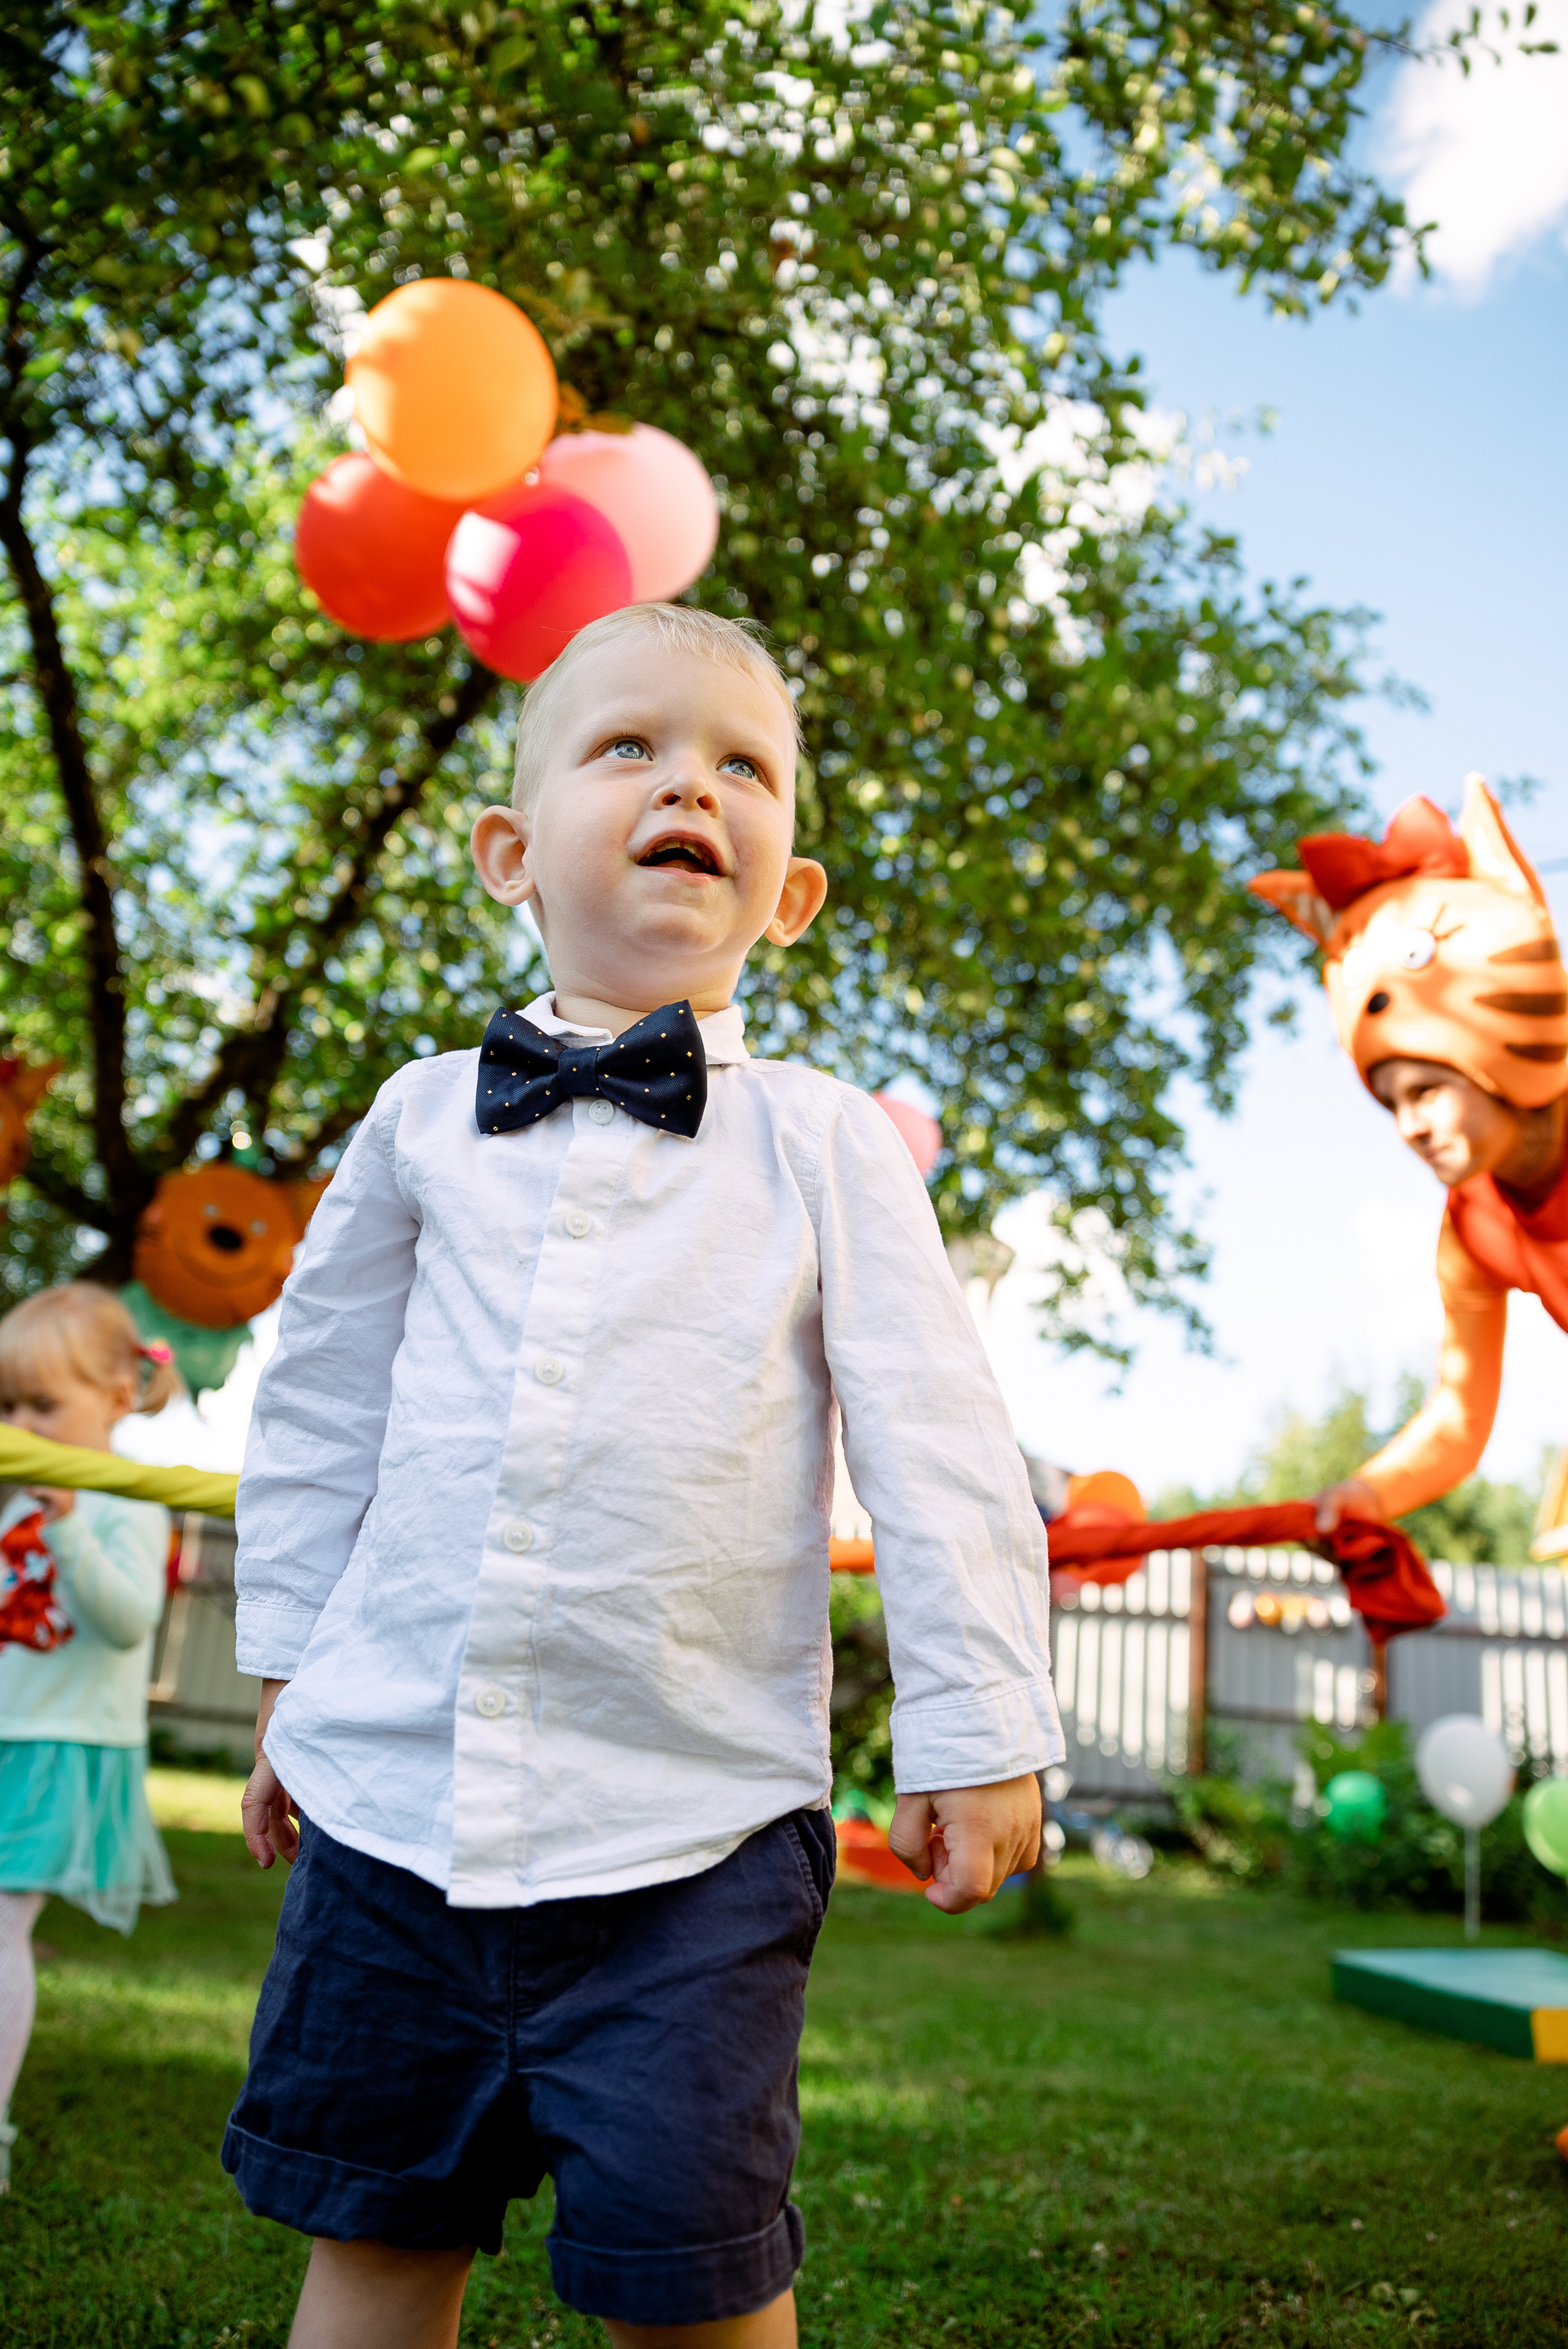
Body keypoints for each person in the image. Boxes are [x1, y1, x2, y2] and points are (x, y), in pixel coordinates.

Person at [225, 600, 1060, 2349]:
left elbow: (939, 1442)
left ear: (790, 890)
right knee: (375, 2247)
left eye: (741, 766)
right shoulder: (414, 1117)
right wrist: (290, 1671)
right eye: (634, 747)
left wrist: (980, 1726)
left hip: (693, 1841)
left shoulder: (824, 1142)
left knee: (696, 2285)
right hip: (395, 1813)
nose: (693, 781)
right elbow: (317, 1404)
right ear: (510, 854)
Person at [1249, 777, 1568, 1537]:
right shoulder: (1473, 1229)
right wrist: (1367, 1494)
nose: (1409, 1127)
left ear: (1493, 1052)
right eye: (1391, 1101)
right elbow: (1458, 1416)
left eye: (1426, 1089)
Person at [0, 1283, 181, 2193]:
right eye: (8, 1405)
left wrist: (69, 1527)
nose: (22, 1421)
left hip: (61, 1743)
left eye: (43, 1403)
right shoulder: (13, 1495)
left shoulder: (126, 1501)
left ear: (116, 1394)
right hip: (6, 1728)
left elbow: (125, 1621)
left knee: (2, 1929)